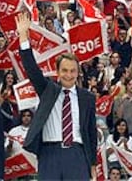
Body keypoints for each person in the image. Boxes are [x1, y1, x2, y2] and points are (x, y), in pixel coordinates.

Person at [16, 12, 97, 180]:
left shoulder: (87, 98)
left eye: (72, 71)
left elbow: (91, 132)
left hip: (77, 154)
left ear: (78, 73)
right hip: (49, 154)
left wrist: (93, 164)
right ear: (58, 73)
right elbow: (31, 69)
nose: (69, 75)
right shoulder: (48, 90)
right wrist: (23, 36)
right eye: (65, 71)